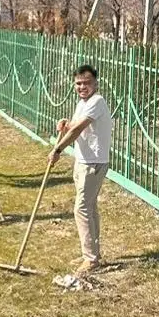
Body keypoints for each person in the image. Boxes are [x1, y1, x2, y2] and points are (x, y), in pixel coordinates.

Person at [49, 64, 113, 275]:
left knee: (81, 208)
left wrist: (58, 149)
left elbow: (79, 129)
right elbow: (74, 125)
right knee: (90, 207)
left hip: (93, 162)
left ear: (95, 83)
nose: (82, 87)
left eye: (86, 83)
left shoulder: (97, 101)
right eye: (78, 83)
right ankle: (93, 252)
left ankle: (91, 259)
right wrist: (64, 124)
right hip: (83, 160)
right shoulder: (83, 103)